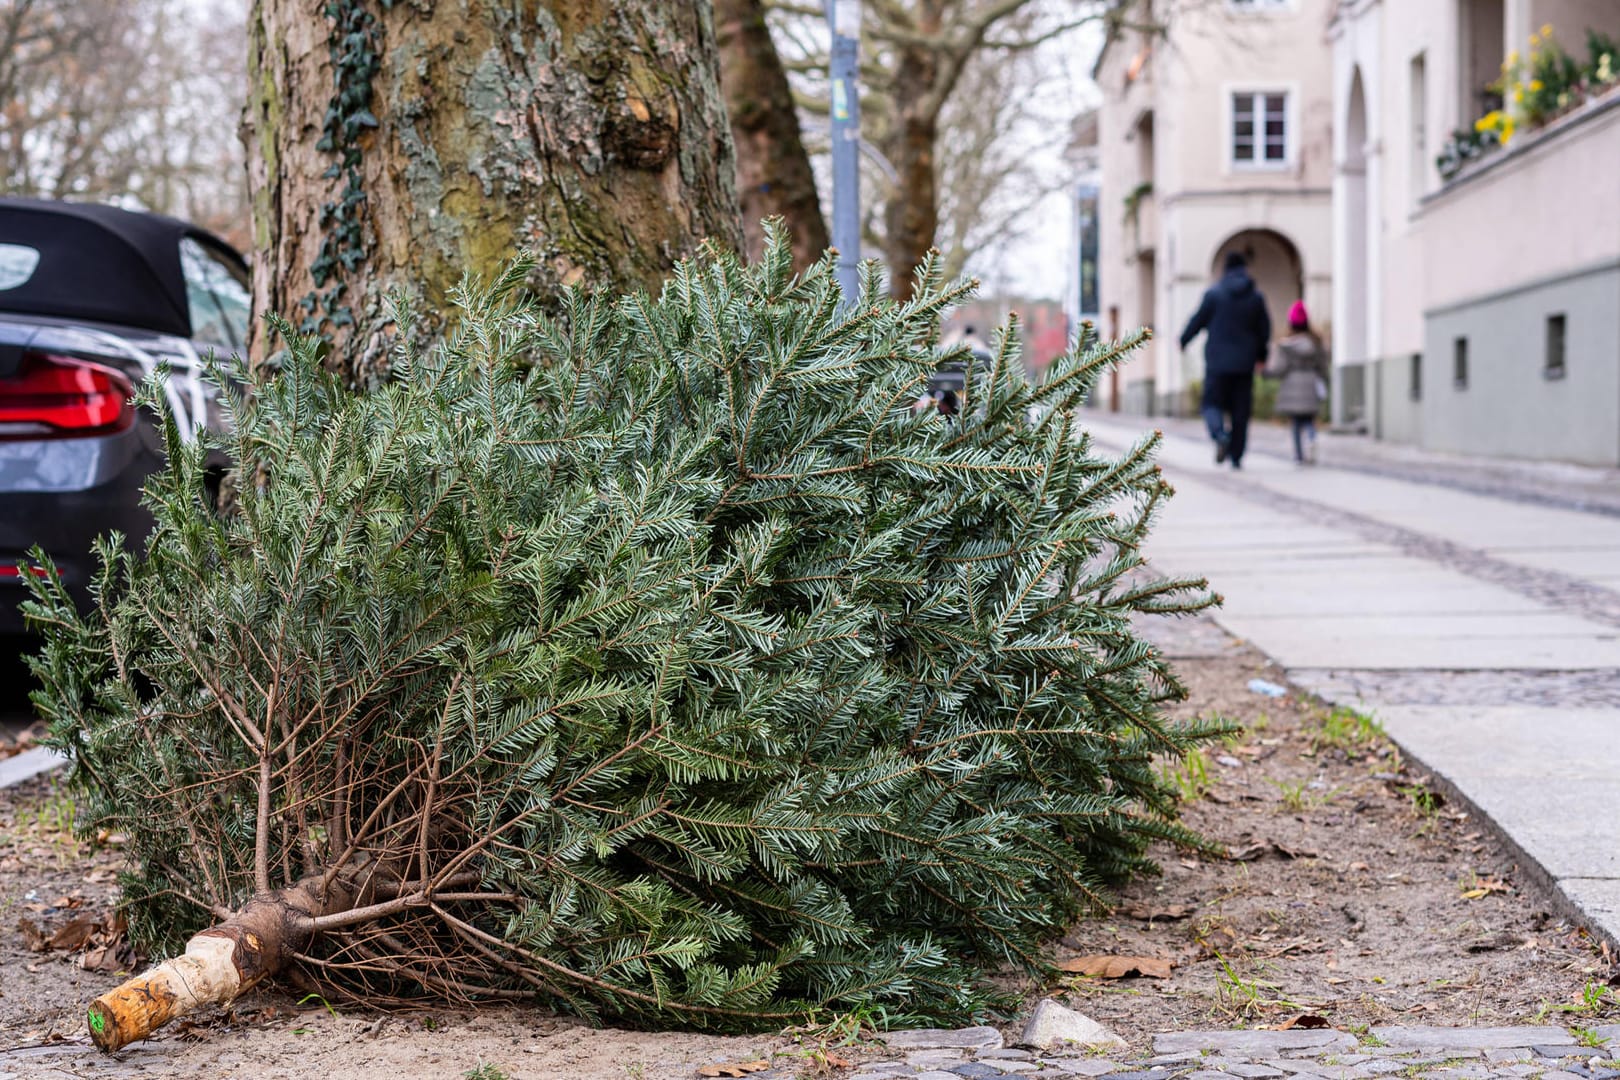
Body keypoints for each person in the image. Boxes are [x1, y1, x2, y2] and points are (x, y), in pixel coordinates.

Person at [1179, 251, 1271, 469]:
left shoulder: (1214, 294)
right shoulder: (1256, 297)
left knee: (1211, 404)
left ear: (1225, 269)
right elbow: (1264, 330)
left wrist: (1184, 339)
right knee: (1241, 411)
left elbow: (1198, 320)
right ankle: (1236, 456)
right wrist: (1261, 357)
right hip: (1244, 364)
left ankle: (1219, 434)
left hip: (1217, 363)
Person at [1268, 300, 1330, 464]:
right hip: (1310, 381)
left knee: (1295, 422)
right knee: (1309, 419)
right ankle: (1311, 438)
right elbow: (1323, 365)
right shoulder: (1316, 342)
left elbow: (1279, 368)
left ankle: (1299, 455)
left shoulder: (1285, 345)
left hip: (1291, 383)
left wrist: (1266, 373)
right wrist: (1323, 378)